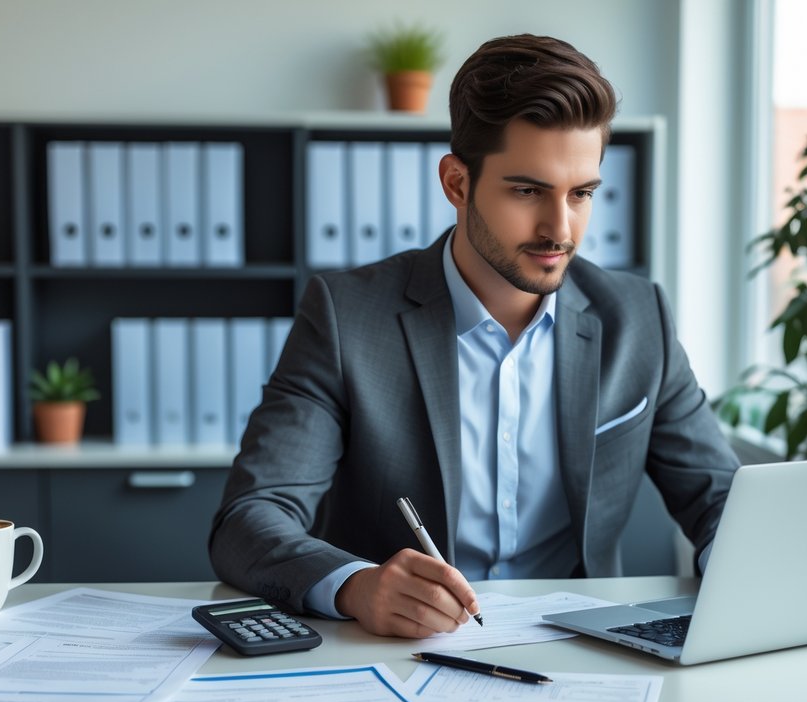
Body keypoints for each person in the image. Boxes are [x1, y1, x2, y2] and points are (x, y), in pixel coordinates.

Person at [209, 33, 739, 638]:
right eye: (526, 190)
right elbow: (250, 520)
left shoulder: (638, 316)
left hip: (588, 647)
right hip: (398, 652)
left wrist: (747, 568)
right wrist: (357, 586)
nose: (559, 229)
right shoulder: (346, 316)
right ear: (457, 184)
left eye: (581, 193)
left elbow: (721, 500)